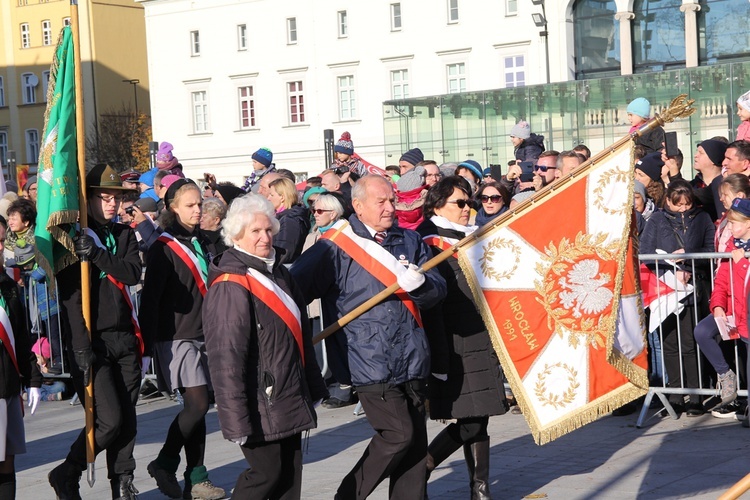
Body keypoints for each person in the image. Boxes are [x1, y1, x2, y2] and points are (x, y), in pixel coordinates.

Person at [291, 175, 446, 499]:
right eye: (382, 202)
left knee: (415, 449)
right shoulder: (333, 248)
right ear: (358, 206)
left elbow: (436, 292)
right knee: (397, 434)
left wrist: (422, 286)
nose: (390, 207)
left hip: (413, 355)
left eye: (392, 200)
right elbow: (293, 292)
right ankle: (348, 495)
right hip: (368, 360)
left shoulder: (409, 240)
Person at [202, 193, 327, 498]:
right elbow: (226, 359)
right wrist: (235, 421)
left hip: (288, 395)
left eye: (269, 229)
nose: (265, 237)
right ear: (236, 236)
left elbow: (299, 340)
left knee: (289, 478)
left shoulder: (280, 273)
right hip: (258, 401)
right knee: (265, 475)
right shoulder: (232, 283)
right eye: (255, 231)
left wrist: (313, 387)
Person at [48, 164, 142, 500]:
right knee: (110, 420)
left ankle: (123, 481)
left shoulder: (123, 235)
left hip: (125, 337)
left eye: (116, 198)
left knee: (128, 418)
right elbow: (72, 300)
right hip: (93, 341)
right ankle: (67, 471)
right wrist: (81, 346)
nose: (113, 204)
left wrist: (99, 255)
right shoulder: (71, 242)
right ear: (86, 199)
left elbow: (131, 273)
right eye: (105, 197)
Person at [417, 176, 507, 499]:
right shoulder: (427, 243)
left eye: (470, 202)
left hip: (482, 338)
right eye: (460, 203)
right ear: (438, 205)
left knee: (479, 417)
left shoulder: (473, 238)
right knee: (470, 420)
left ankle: (479, 489)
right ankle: (425, 467)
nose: (468, 209)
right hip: (454, 342)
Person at [139, 179, 225, 500]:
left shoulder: (203, 241)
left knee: (197, 407)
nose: (197, 210)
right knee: (199, 403)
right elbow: (150, 299)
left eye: (200, 204)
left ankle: (196, 479)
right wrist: (147, 346)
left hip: (205, 332)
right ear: (172, 208)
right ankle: (164, 462)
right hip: (176, 336)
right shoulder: (163, 247)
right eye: (189, 205)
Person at [640, 179, 715, 417]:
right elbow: (645, 251)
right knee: (670, 343)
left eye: (686, 204)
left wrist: (690, 258)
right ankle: (674, 395)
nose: (683, 209)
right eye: (677, 205)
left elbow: (711, 248)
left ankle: (695, 396)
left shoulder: (701, 219)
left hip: (693, 288)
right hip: (665, 288)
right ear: (668, 202)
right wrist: (668, 262)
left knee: (690, 343)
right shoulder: (658, 220)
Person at [694, 198, 750, 415]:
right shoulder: (731, 246)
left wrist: (742, 262)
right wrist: (717, 304)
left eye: (734, 223)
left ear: (747, 224)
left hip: (746, 310)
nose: (730, 228)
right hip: (732, 308)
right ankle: (726, 375)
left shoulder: (740, 253)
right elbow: (722, 280)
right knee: (702, 331)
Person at [0, 212, 42, 499]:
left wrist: (34, 379)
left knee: (6, 462)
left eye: (1, 241)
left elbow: (22, 337)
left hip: (7, 387)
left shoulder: (8, 286)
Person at [302, 193, 355, 408]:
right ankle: (342, 385)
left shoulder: (344, 233)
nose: (315, 215)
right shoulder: (317, 234)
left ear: (334, 213)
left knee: (342, 343)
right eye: (313, 210)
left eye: (319, 211)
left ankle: (346, 388)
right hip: (324, 298)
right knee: (331, 344)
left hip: (342, 297)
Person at [267, 177, 310, 264]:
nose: (268, 198)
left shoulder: (290, 220)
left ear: (282, 197)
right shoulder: (282, 217)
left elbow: (284, 252)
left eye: (271, 195)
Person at [690, 139, 727, 222]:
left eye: (701, 153)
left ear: (714, 158)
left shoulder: (725, 185)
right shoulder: (692, 185)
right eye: (697, 152)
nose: (696, 155)